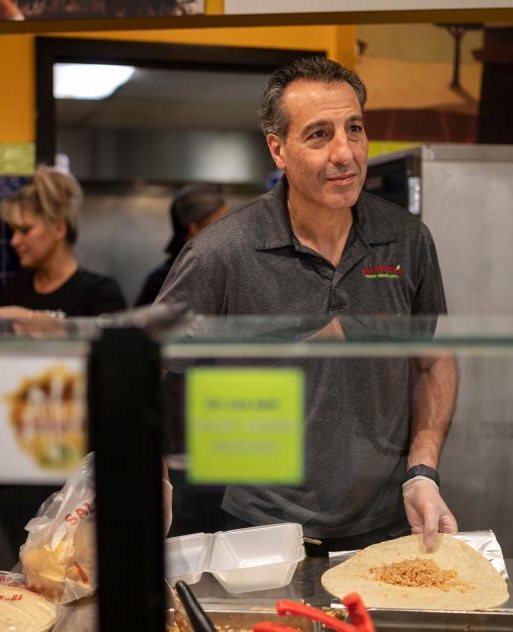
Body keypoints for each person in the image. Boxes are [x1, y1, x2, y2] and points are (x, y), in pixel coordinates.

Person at [155, 57, 458, 553]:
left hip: (387, 524)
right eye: (319, 135)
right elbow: (145, 366)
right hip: (260, 527)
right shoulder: (221, 253)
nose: (346, 153)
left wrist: (422, 471)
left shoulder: (406, 239)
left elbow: (433, 358)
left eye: (354, 129)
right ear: (278, 149)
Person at [0, 167, 127, 321]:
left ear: (59, 229)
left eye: (25, 230)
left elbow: (111, 341)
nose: (14, 241)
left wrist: (31, 318)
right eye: (13, 232)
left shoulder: (99, 292)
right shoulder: (15, 290)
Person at [135, 183, 229, 306]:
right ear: (195, 229)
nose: (230, 230)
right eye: (223, 223)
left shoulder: (227, 272)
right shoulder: (162, 281)